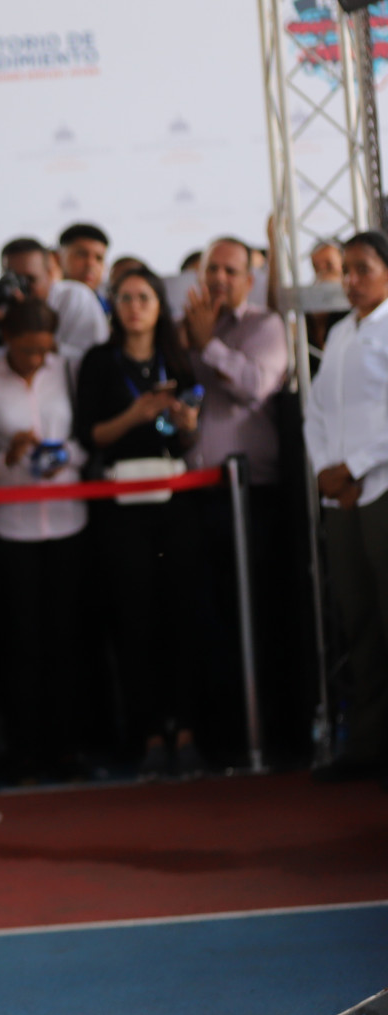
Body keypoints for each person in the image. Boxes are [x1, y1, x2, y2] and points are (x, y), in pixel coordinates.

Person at [74, 269, 203, 777]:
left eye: (143, 297)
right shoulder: (99, 361)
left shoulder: (177, 358)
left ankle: (186, 727)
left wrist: (186, 426)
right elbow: (91, 436)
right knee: (133, 619)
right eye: (124, 298)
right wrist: (136, 413)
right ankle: (146, 733)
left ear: (159, 305)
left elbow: (186, 434)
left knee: (182, 614)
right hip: (121, 502)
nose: (134, 307)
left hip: (174, 497)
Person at [183, 237, 290, 763]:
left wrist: (208, 345)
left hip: (252, 494)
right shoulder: (192, 326)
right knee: (210, 618)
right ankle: (222, 739)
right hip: (200, 491)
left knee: (258, 614)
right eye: (212, 270)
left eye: (231, 270)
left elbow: (255, 386)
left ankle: (270, 737)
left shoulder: (265, 325)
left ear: (250, 278)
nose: (220, 279)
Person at [0, 299, 91, 781]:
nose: (38, 360)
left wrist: (65, 454)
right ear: (7, 340)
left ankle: (67, 747)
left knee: (67, 638)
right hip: (12, 525)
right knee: (20, 642)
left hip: (68, 519)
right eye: (27, 350)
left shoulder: (70, 370)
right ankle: (23, 748)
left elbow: (89, 439)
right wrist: (11, 456)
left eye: (45, 350)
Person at [306, 231, 388, 782]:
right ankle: (368, 744)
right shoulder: (338, 333)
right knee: (358, 620)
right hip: (340, 495)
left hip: (379, 487)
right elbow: (316, 412)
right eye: (347, 271)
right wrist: (326, 471)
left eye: (363, 269)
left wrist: (355, 467)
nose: (351, 281)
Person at [0, 237, 106, 365]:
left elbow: (95, 361)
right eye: (12, 279)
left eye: (29, 280)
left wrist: (35, 335)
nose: (19, 289)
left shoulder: (76, 297)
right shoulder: (0, 303)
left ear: (50, 274)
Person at [58, 223, 109, 297]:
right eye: (82, 254)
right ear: (59, 257)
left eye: (99, 258)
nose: (91, 263)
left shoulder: (113, 302)